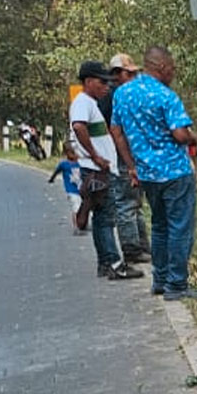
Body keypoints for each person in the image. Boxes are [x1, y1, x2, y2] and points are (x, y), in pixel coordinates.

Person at [110, 45, 197, 300]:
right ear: (161, 67)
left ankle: (159, 280)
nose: (173, 74)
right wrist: (195, 138)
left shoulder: (122, 94)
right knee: (180, 228)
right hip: (175, 173)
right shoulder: (166, 96)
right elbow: (180, 134)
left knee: (159, 226)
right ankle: (176, 284)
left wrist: (131, 165)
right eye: (171, 69)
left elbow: (117, 132)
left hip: (147, 174)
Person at [70, 60, 143, 281]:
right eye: (102, 82)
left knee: (102, 217)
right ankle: (114, 262)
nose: (106, 87)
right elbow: (79, 127)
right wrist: (95, 156)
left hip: (100, 169)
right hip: (96, 170)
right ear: (89, 81)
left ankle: (105, 262)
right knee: (106, 219)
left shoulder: (91, 103)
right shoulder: (82, 102)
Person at [100, 52, 150, 263]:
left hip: (129, 152)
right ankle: (132, 249)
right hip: (120, 154)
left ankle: (142, 246)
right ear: (118, 74)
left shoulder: (120, 94)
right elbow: (114, 130)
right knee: (126, 203)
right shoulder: (113, 96)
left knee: (134, 201)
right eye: (127, 74)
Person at [47, 144, 85, 233]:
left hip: (82, 190)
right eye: (71, 153)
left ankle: (82, 224)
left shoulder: (81, 163)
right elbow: (56, 172)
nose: (74, 155)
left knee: (83, 207)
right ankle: (76, 228)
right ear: (66, 153)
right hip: (72, 191)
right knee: (76, 207)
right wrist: (52, 179)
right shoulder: (64, 164)